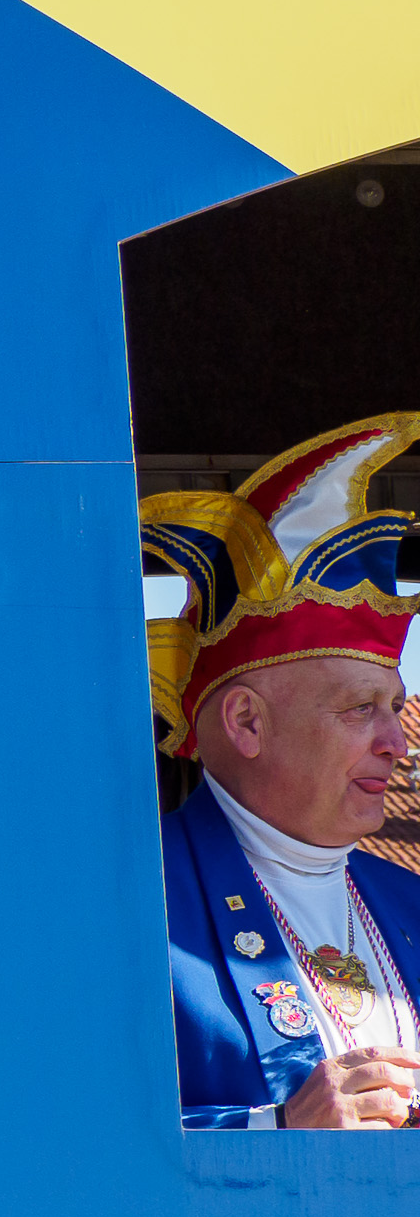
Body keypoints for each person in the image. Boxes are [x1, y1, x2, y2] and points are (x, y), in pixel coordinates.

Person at [142, 414, 420, 1132]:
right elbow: (53, 1141)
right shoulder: (127, 900)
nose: (397, 743)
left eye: (396, 708)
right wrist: (280, 1130)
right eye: (360, 709)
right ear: (247, 722)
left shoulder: (411, 901)